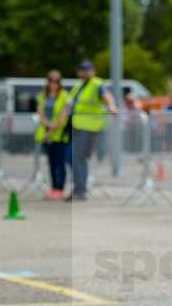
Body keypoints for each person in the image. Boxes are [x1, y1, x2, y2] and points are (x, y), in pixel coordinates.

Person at [63, 60, 118, 201]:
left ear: (93, 71)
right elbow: (69, 104)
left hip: (89, 127)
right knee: (78, 159)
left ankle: (79, 190)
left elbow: (107, 95)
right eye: (82, 70)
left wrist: (112, 106)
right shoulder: (79, 86)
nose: (85, 73)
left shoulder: (97, 84)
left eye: (88, 70)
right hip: (77, 126)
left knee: (77, 158)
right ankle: (80, 189)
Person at [36, 69, 71, 200]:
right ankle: (53, 188)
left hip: (59, 135)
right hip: (46, 135)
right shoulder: (42, 97)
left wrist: (51, 130)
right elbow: (40, 115)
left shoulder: (64, 96)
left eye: (56, 81)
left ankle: (60, 188)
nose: (53, 83)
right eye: (51, 81)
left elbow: (61, 118)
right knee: (51, 162)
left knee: (60, 163)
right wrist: (48, 129)